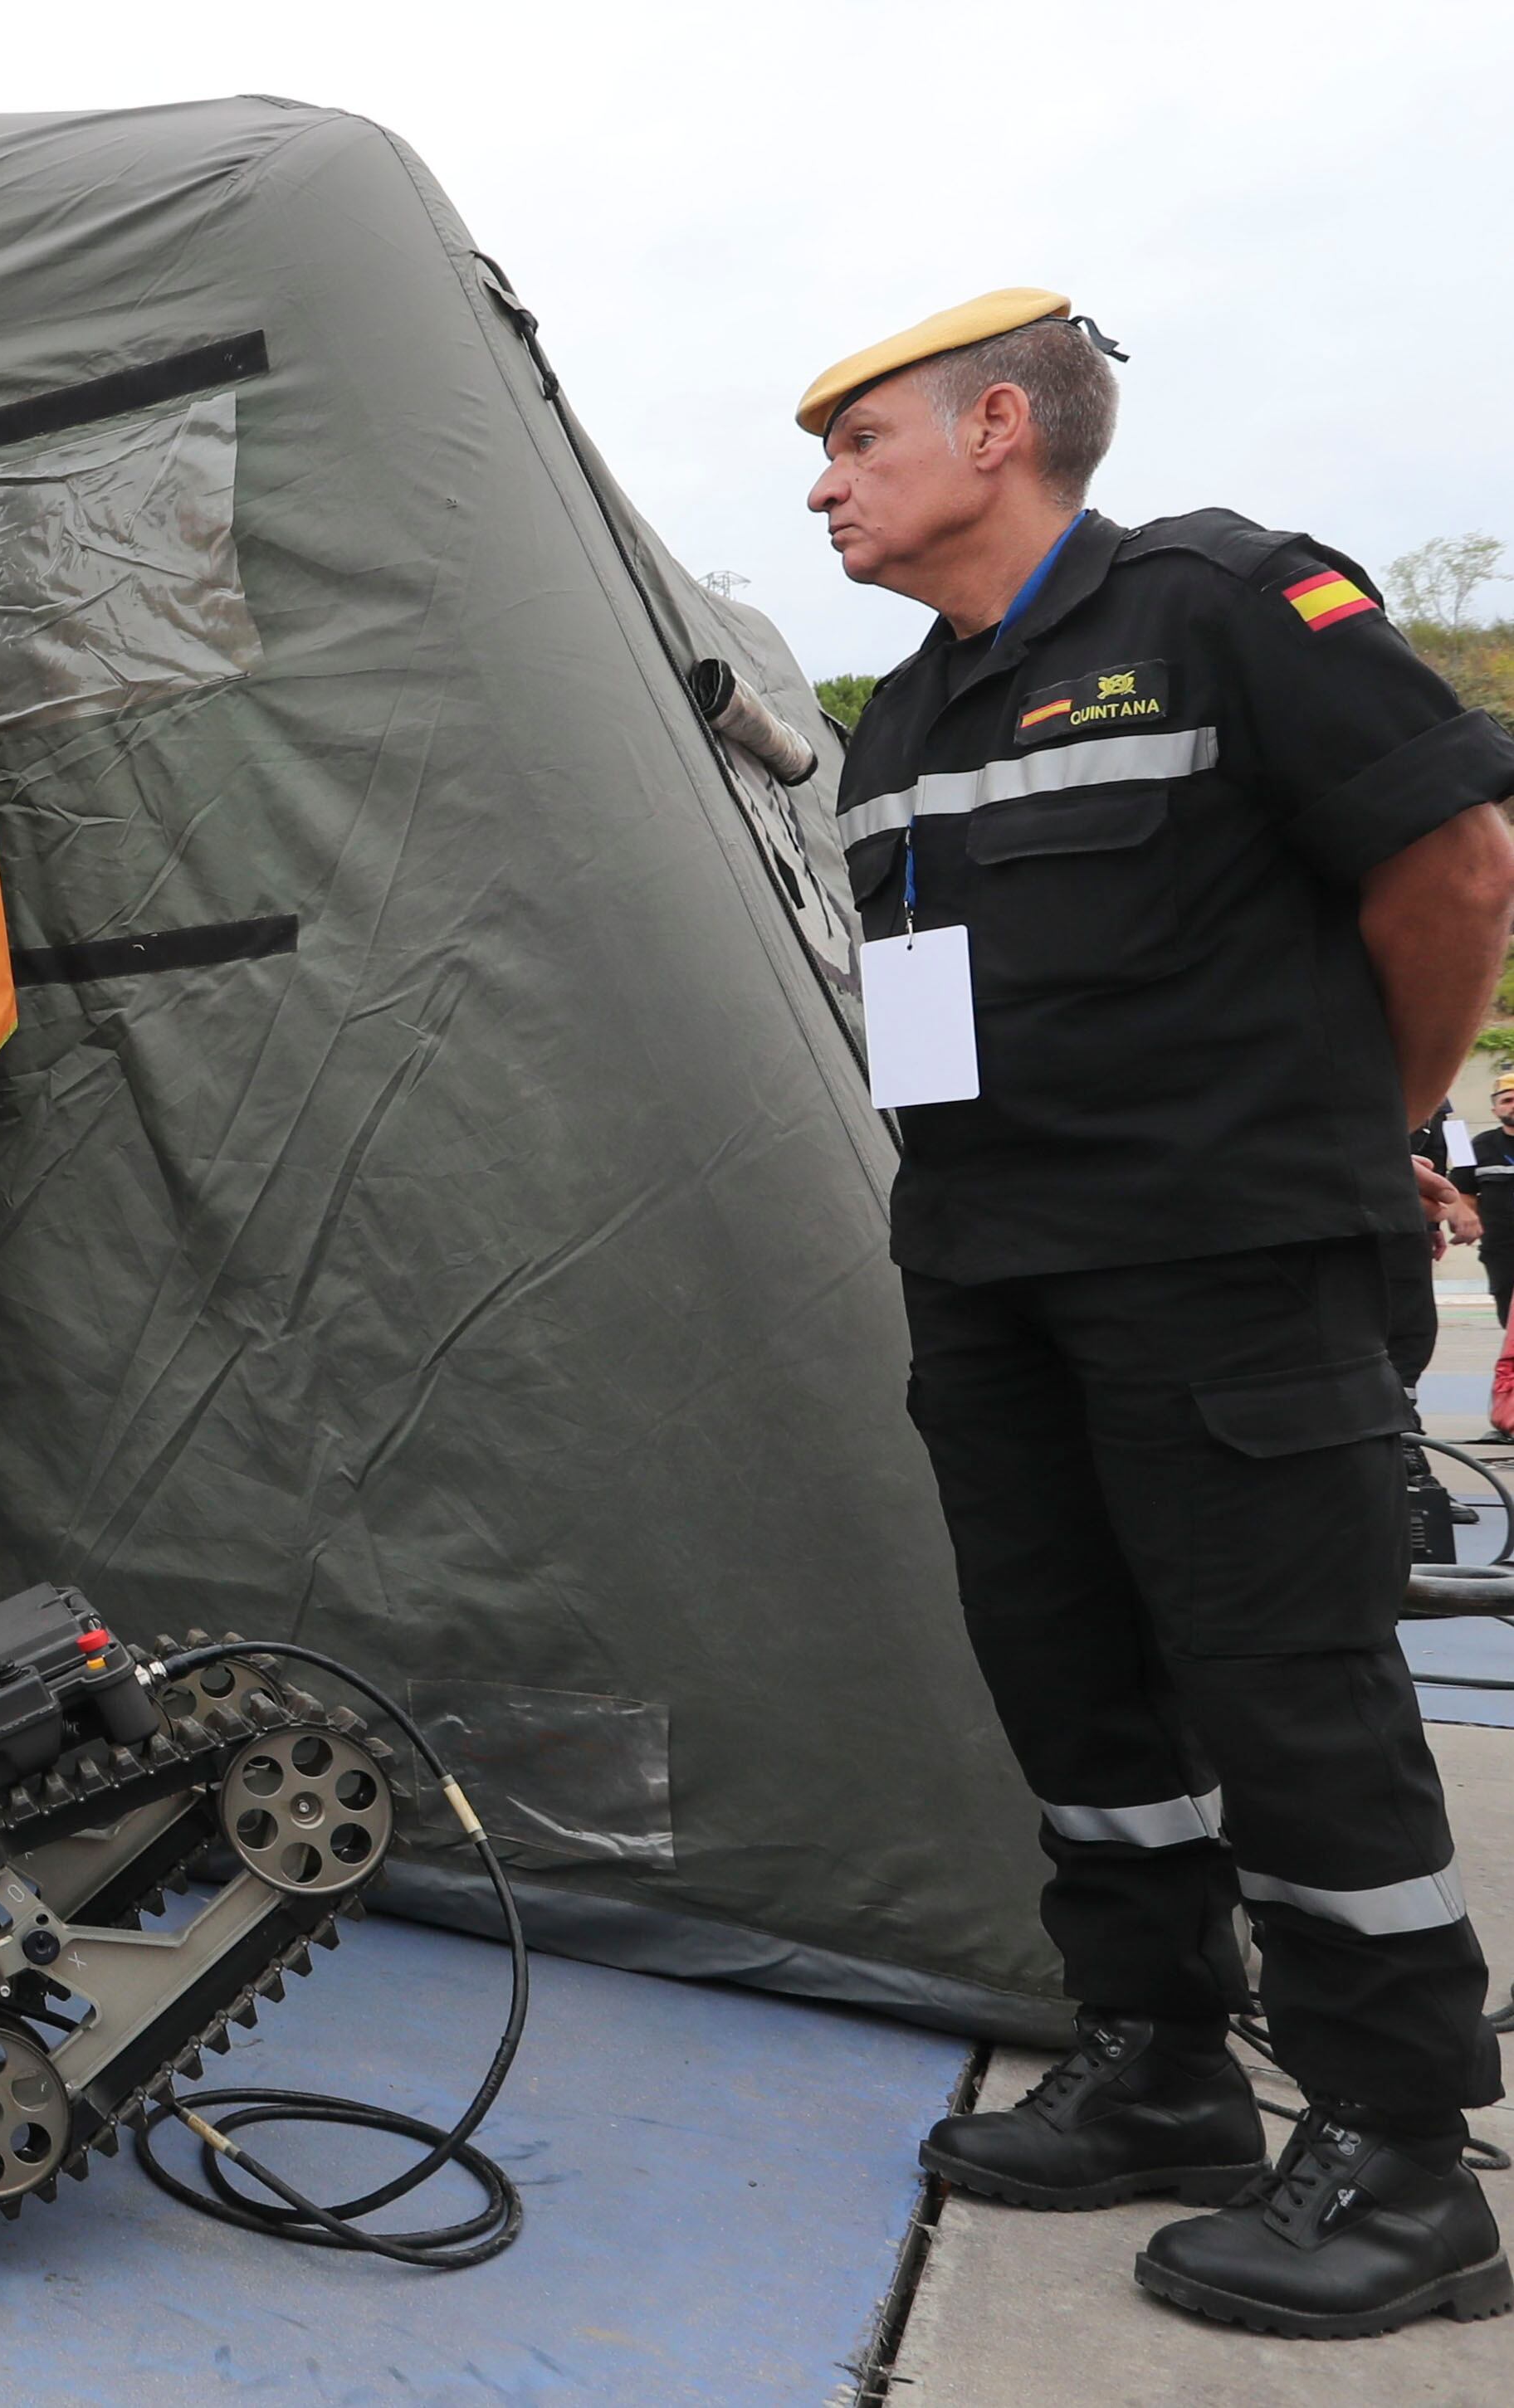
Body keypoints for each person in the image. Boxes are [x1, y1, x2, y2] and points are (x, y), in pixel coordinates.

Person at [803, 288, 1514, 2334]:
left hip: (1224, 1267)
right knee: (1074, 1680)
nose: (823, 483)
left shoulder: (1217, 604)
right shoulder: (901, 709)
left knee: (1284, 1690)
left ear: (996, 427)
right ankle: (1162, 2058)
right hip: (991, 1271)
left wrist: (1351, 1126)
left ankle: (1394, 2152)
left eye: (855, 442)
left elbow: (1449, 863)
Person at [1471, 1073, 1514, 1327]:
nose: (1513, 1105)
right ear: (1495, 1109)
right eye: (1507, 1100)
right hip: (1502, 1249)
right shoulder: (1478, 1145)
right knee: (1509, 1318)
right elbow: (1462, 1192)